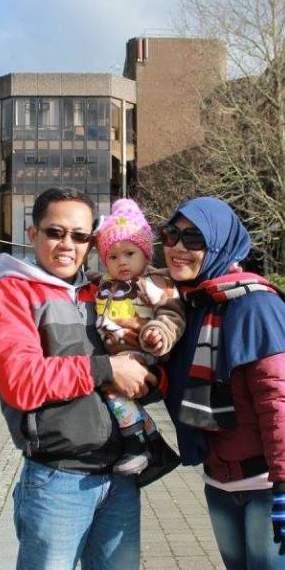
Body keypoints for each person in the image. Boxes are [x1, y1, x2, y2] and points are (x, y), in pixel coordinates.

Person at [0, 187, 156, 570]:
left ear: (93, 242)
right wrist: (106, 369)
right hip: (58, 479)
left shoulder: (102, 293)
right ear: (32, 233)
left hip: (121, 478)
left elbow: (138, 368)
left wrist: (150, 371)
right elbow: (21, 382)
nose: (67, 245)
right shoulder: (10, 295)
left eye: (79, 236)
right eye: (55, 232)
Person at [157, 196, 285, 570]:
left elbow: (277, 401)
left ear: (218, 245)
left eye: (193, 237)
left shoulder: (254, 304)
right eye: (171, 234)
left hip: (271, 480)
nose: (178, 247)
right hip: (221, 478)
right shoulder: (190, 306)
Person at [93, 197, 185, 475]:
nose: (121, 262)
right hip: (116, 354)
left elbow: (172, 314)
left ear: (146, 254)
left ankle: (137, 444)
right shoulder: (105, 283)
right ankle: (155, 444)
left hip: (141, 351)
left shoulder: (152, 283)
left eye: (129, 254)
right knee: (105, 388)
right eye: (113, 256)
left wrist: (157, 332)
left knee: (111, 387)